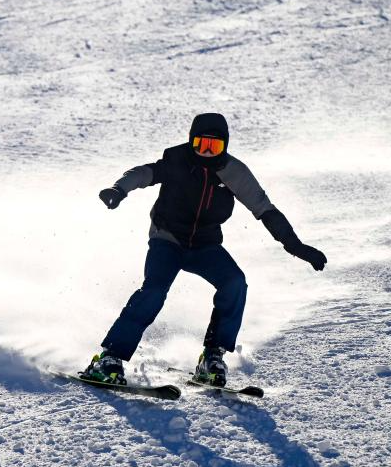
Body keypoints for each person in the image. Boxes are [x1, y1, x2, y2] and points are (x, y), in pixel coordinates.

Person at [83, 113, 328, 387]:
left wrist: (296, 247)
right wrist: (119, 189)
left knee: (234, 283)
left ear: (225, 146)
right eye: (201, 145)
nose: (207, 153)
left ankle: (212, 356)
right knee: (153, 291)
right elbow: (143, 173)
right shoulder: (177, 160)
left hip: (205, 245)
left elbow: (265, 209)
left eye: (215, 147)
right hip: (168, 240)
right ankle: (109, 357)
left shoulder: (233, 171)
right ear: (191, 142)